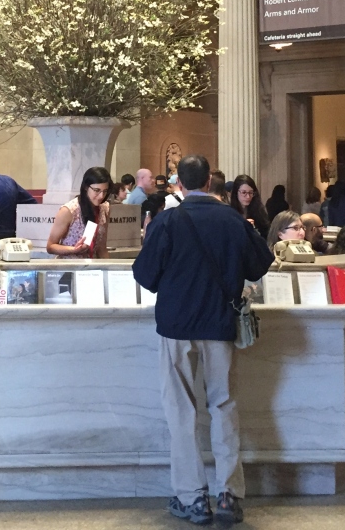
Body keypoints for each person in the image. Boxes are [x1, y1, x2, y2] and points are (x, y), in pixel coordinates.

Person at [133, 155, 273, 528]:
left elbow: (145, 275)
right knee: (224, 404)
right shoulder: (233, 219)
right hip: (219, 321)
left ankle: (192, 497)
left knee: (180, 410)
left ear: (179, 184)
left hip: (176, 324)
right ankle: (229, 494)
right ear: (210, 180)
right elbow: (260, 264)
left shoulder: (167, 221)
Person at [48, 167, 112, 258]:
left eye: (105, 191)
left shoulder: (104, 208)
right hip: (70, 264)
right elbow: (50, 246)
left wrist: (107, 266)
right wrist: (74, 249)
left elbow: (102, 248)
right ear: (86, 187)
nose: (101, 196)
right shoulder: (69, 210)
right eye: (97, 190)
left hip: (93, 264)